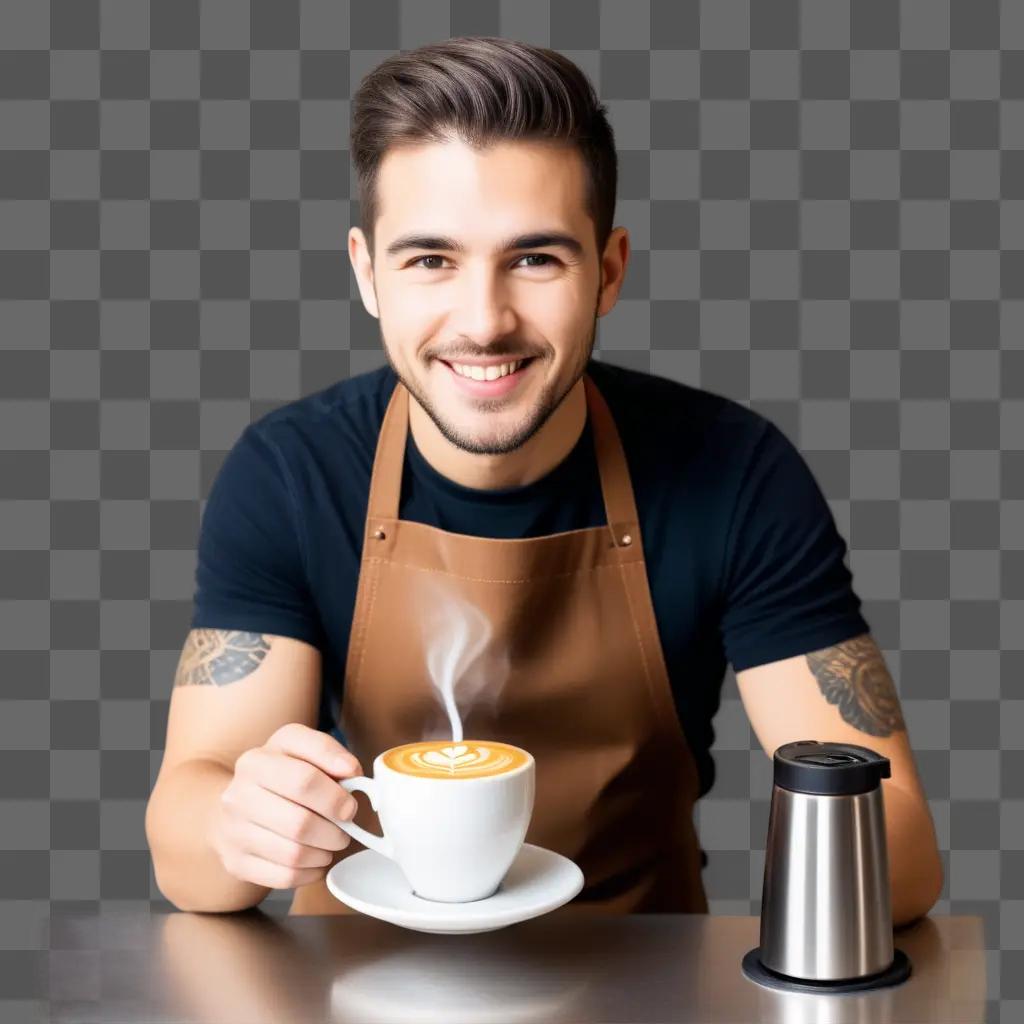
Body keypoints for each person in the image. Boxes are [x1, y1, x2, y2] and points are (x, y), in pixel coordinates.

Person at [146, 36, 943, 924]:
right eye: (430, 260)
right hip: (353, 985)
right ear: (369, 274)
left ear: (607, 271)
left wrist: (810, 885)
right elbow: (186, 846)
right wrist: (238, 827)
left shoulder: (737, 473)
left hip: (648, 989)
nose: (484, 322)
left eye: (535, 259)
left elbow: (902, 847)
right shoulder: (291, 474)